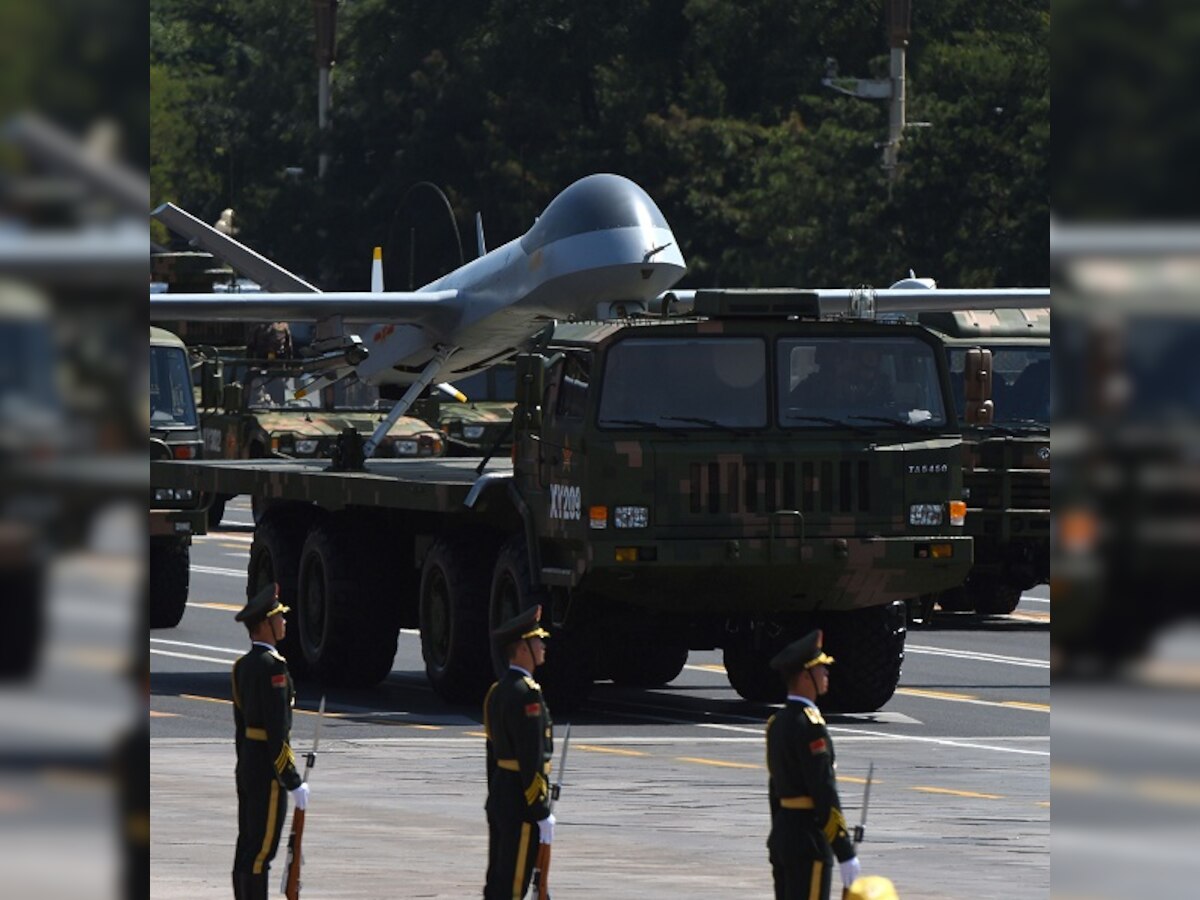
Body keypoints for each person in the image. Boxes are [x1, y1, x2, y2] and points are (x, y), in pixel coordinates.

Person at [765, 629, 861, 900]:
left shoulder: (777, 723)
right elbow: (823, 791)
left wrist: (781, 832)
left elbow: (775, 789)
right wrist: (844, 851)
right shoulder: (811, 727)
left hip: (783, 838)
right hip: (809, 843)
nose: (826, 674)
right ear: (806, 676)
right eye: (821, 669)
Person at [231, 583, 309, 900]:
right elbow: (278, 733)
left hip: (248, 766)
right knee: (262, 851)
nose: (284, 622)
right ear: (265, 624)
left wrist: (245, 765)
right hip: (267, 772)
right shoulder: (273, 669)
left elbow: (242, 728)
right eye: (280, 617)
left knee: (247, 846)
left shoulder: (243, 667)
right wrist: (291, 780)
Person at [483, 605, 555, 900]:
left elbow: (492, 755)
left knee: (497, 883)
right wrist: (540, 810)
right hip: (521, 804)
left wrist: (497, 793)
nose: (542, 646)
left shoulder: (496, 692)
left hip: (502, 796)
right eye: (537, 641)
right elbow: (531, 756)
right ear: (523, 648)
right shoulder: (527, 694)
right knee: (514, 888)